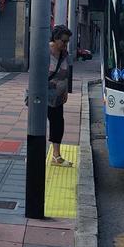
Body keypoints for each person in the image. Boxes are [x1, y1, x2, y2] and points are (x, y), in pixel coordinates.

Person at [48, 25, 73, 167]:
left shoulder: (64, 54)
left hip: (57, 96)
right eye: (63, 41)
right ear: (55, 39)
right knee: (36, 126)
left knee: (58, 124)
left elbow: (66, 74)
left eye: (67, 41)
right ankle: (34, 153)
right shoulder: (45, 51)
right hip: (43, 95)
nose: (65, 44)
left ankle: (56, 156)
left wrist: (65, 91)